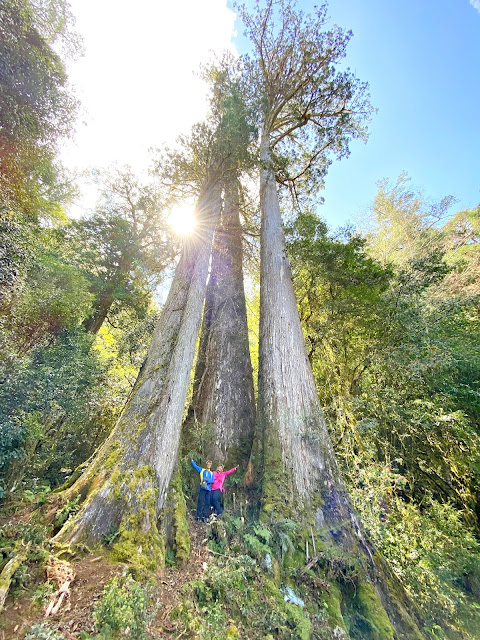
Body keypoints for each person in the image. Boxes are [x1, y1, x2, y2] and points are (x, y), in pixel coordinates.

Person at [191, 458, 214, 523]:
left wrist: (207, 480)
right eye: (208, 464)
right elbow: (195, 466)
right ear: (206, 464)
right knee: (200, 502)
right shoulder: (202, 470)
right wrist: (192, 460)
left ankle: (203, 516)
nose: (208, 465)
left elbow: (212, 480)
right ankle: (198, 516)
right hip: (202, 488)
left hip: (208, 489)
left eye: (210, 464)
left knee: (207, 503)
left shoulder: (211, 473)